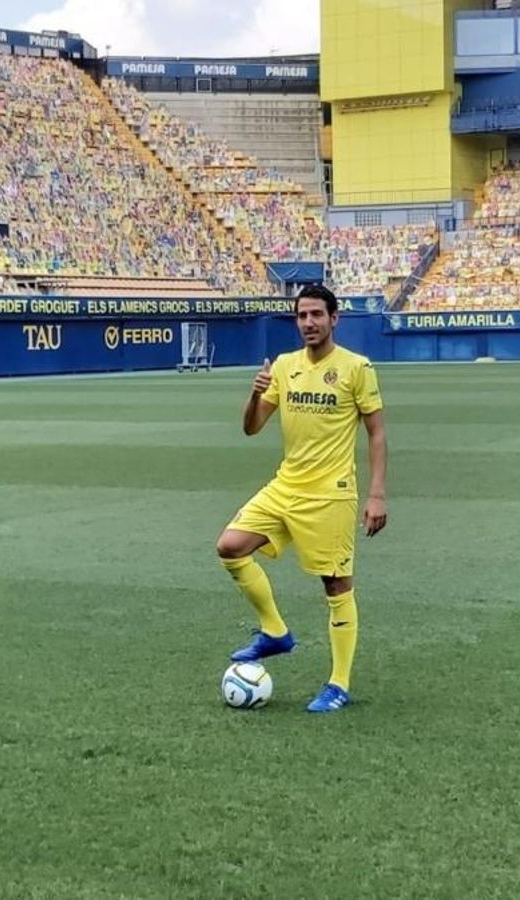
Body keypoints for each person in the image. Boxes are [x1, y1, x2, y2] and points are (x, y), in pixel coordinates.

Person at [214, 284, 388, 713]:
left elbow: (376, 433)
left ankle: (338, 684)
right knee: (230, 546)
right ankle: (275, 632)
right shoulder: (284, 366)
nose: (308, 323)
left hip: (331, 494)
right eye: (302, 315)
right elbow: (252, 428)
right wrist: (255, 393)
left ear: (334, 318)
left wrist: (377, 494)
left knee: (336, 584)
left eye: (316, 314)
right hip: (286, 486)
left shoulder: (356, 367)